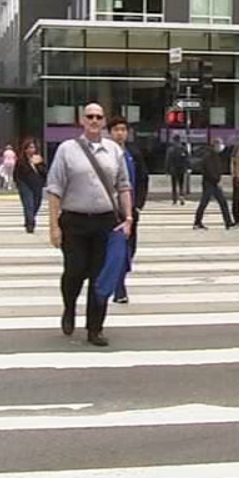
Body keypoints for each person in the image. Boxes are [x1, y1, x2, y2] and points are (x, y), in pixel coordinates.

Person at [45, 102, 134, 347]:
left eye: (98, 117)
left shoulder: (114, 150)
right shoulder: (67, 150)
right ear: (82, 121)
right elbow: (54, 190)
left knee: (100, 277)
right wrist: (54, 226)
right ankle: (69, 307)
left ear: (104, 121)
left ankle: (95, 328)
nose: (94, 120)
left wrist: (128, 218)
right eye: (89, 116)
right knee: (75, 270)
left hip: (105, 222)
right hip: (74, 220)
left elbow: (124, 186)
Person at [108, 116, 149, 304]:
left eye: (123, 130)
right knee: (117, 249)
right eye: (116, 129)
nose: (120, 133)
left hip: (131, 210)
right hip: (110, 210)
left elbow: (142, 179)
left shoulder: (133, 153)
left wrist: (138, 204)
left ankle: (119, 280)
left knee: (130, 249)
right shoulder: (104, 153)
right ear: (109, 133)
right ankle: (118, 288)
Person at [194, 138, 235, 230]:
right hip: (210, 183)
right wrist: (217, 179)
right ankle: (197, 222)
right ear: (215, 145)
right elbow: (209, 170)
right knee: (204, 203)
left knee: (222, 202)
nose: (221, 146)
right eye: (220, 144)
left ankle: (228, 222)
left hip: (213, 182)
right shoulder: (209, 156)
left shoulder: (215, 155)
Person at [15, 137, 47, 233]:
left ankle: (29, 219)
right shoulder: (21, 161)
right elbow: (16, 174)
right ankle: (30, 224)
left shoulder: (38, 159)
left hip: (37, 185)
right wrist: (19, 184)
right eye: (29, 147)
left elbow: (45, 173)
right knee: (29, 205)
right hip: (25, 185)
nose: (31, 150)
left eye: (33, 147)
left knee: (36, 204)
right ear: (25, 149)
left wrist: (38, 164)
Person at [165, 140, 189, 204]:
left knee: (174, 185)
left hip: (173, 170)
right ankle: (181, 197)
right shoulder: (183, 149)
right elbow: (187, 159)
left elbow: (168, 160)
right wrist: (187, 168)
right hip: (181, 169)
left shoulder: (170, 150)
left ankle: (174, 199)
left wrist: (167, 170)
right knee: (181, 184)